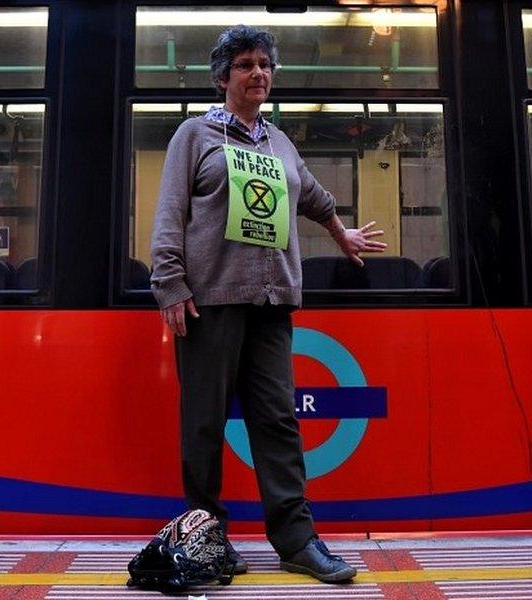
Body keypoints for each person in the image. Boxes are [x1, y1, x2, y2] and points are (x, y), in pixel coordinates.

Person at [150, 25, 386, 583]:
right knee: (203, 425)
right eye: (246, 64)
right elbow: (169, 215)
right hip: (208, 302)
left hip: (272, 301)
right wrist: (171, 286)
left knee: (278, 422)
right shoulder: (195, 135)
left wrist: (340, 233)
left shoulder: (279, 144)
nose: (259, 73)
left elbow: (312, 195)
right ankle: (205, 538)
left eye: (265, 65)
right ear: (224, 76)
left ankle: (297, 540)